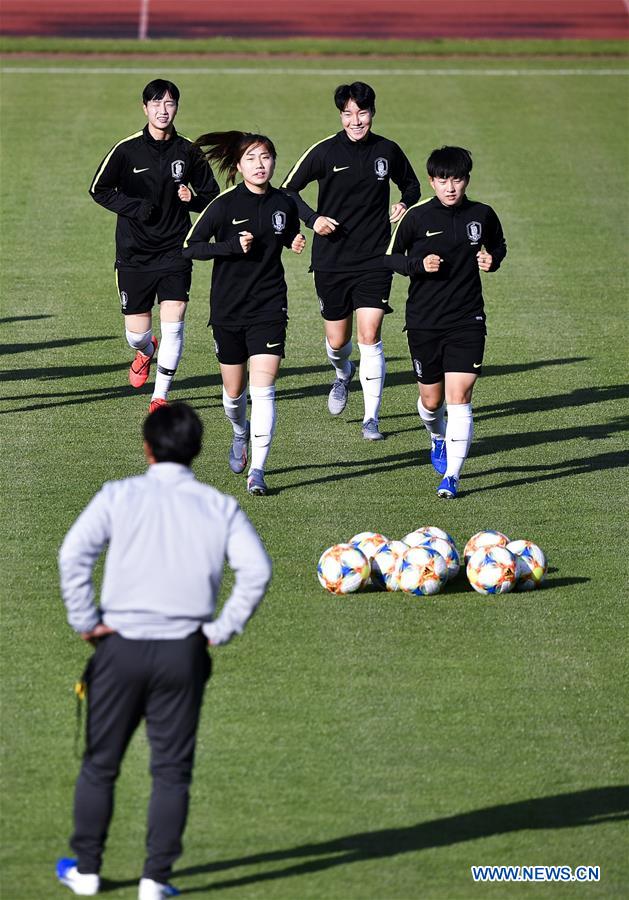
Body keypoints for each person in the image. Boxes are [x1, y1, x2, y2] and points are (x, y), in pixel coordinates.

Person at [56, 403, 272, 900]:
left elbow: (73, 554)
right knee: (171, 771)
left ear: (148, 447)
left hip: (120, 650)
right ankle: (155, 879)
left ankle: (86, 870)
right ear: (196, 450)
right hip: (184, 651)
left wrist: (86, 623)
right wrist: (221, 629)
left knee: (100, 764)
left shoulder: (119, 495)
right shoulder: (220, 506)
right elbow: (256, 571)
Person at [281, 81, 420, 440]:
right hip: (331, 260)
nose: (355, 120)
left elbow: (413, 186)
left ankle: (371, 418)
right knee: (337, 342)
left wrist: (403, 204)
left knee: (369, 335)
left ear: (373, 112)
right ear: (340, 115)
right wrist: (313, 220)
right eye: (348, 113)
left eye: (362, 112)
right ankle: (343, 374)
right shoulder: (324, 152)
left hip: (375, 258)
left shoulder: (388, 150)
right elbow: (287, 190)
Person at [182, 131, 305, 496]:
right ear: (238, 166)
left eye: (265, 157)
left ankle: (258, 471)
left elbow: (287, 232)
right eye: (251, 158)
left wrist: (293, 240)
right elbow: (190, 248)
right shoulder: (222, 205)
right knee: (234, 394)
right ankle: (240, 431)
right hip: (228, 309)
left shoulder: (285, 202)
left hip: (269, 306)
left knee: (263, 389)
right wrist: (231, 247)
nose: (260, 164)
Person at [89, 80, 220, 413]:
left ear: (177, 108)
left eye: (170, 104)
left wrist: (193, 200)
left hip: (176, 250)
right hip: (134, 254)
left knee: (175, 321)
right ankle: (146, 350)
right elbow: (98, 189)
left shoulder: (188, 151)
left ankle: (159, 396)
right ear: (144, 108)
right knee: (136, 334)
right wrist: (135, 207)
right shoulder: (126, 150)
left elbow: (211, 196)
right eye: (157, 104)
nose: (163, 110)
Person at [385, 146, 507, 499]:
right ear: (431, 181)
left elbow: (498, 245)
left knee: (460, 397)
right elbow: (389, 259)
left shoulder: (482, 214)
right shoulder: (417, 217)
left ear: (467, 180)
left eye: (457, 179)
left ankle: (452, 477)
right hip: (424, 321)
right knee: (431, 400)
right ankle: (437, 436)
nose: (450, 187)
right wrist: (418, 266)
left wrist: (491, 259)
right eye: (443, 180)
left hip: (467, 319)